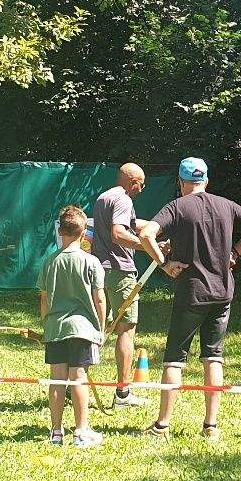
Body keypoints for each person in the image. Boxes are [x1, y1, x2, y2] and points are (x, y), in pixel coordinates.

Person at [138, 157, 241, 441]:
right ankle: (211, 426)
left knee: (174, 360)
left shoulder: (177, 207)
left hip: (191, 292)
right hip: (223, 291)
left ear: (181, 182)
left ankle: (162, 426)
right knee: (213, 357)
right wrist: (235, 253)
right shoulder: (226, 205)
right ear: (206, 181)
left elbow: (146, 232)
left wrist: (163, 263)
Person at [39, 204, 107, 447]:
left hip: (55, 328)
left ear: (60, 231)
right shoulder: (92, 262)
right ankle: (81, 431)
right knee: (79, 378)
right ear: (84, 231)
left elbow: (44, 300)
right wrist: (101, 329)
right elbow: (100, 299)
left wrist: (47, 325)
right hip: (83, 329)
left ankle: (56, 432)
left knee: (57, 380)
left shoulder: (49, 262)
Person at [91, 162, 149, 408]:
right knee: (126, 328)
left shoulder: (105, 197)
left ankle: (75, 385)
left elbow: (129, 225)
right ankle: (123, 394)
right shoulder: (124, 200)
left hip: (98, 269)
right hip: (120, 271)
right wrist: (146, 245)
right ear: (133, 182)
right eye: (141, 185)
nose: (141, 190)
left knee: (91, 326)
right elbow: (119, 233)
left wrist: (155, 229)